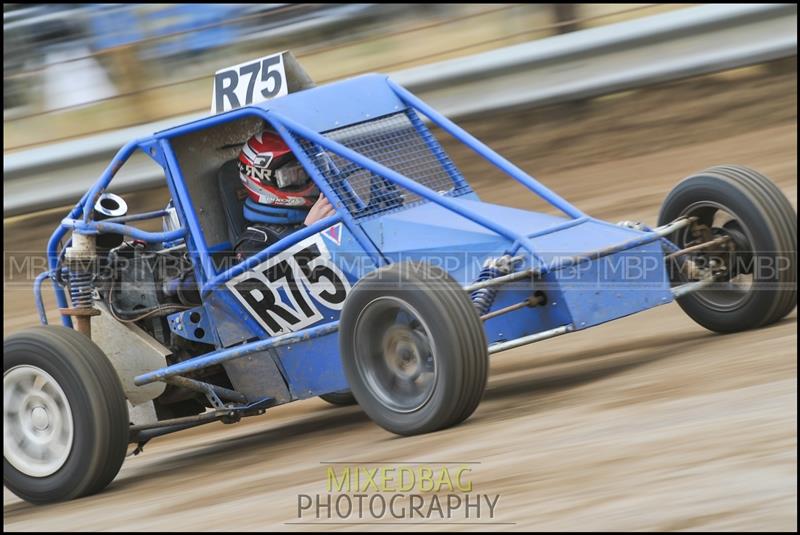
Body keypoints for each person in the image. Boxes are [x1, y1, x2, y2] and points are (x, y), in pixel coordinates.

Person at [234, 131, 335, 260]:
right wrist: (308, 231)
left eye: (314, 167)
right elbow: (263, 277)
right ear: (262, 178)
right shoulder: (254, 242)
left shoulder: (326, 206)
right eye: (294, 174)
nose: (312, 180)